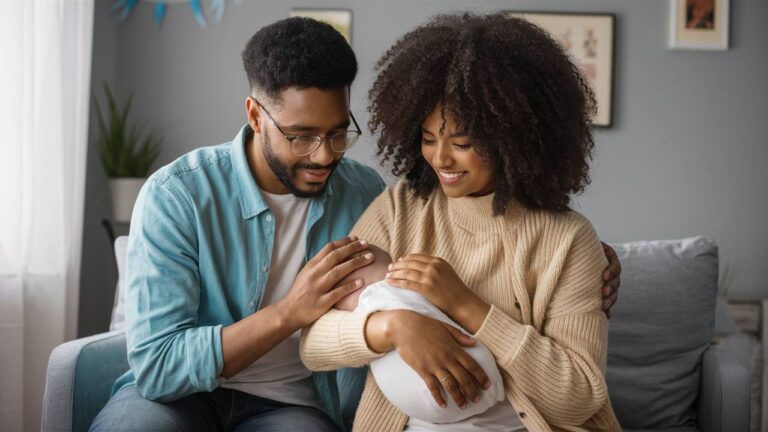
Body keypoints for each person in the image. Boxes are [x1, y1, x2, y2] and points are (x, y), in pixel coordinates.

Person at [90, 15, 621, 432]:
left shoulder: (364, 192)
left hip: (293, 406)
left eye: (339, 133)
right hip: (181, 398)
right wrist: (313, 316)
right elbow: (160, 367)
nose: (324, 155)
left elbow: (528, 262)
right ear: (255, 115)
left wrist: (593, 266)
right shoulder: (179, 196)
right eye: (300, 136)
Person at [301, 13, 622, 431]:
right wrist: (395, 326)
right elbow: (313, 343)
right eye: (428, 139)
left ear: (514, 139)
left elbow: (577, 400)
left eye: (463, 143)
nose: (440, 159)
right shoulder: (401, 207)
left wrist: (467, 306)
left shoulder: (567, 239)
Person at [333, 245, 507, 424]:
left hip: (445, 404)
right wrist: (389, 326)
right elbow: (312, 341)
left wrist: (464, 305)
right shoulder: (387, 221)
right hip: (481, 380)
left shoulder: (384, 288)